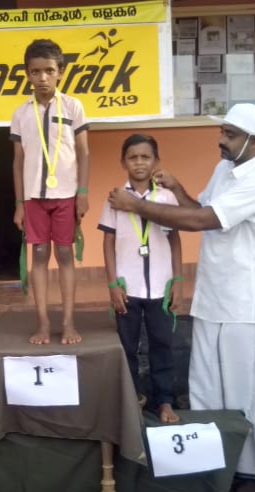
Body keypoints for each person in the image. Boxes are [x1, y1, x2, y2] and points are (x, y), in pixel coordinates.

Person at [107, 103, 255, 482]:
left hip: (244, 302)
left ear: (254, 141)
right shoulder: (225, 168)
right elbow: (200, 207)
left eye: (230, 135)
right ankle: (212, 469)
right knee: (206, 385)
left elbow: (202, 220)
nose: (221, 139)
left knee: (243, 390)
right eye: (223, 131)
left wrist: (137, 205)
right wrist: (177, 189)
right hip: (213, 293)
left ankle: (250, 473)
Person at [98, 134, 183, 424]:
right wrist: (112, 284)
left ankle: (165, 402)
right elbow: (108, 242)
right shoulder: (115, 199)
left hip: (161, 287)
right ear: (123, 162)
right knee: (127, 348)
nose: (139, 163)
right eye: (132, 157)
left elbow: (175, 239)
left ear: (156, 161)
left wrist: (178, 280)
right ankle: (132, 399)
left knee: (162, 345)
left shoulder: (166, 198)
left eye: (145, 157)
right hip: (127, 288)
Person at [11, 38, 90, 345]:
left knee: (66, 253)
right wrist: (19, 203)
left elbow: (84, 153)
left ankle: (69, 322)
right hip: (33, 197)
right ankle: (43, 323)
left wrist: (82, 192)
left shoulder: (73, 106)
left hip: (66, 195)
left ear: (60, 72)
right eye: (35, 72)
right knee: (40, 254)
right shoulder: (21, 113)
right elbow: (18, 161)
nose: (42, 78)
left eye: (49, 71)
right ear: (27, 74)